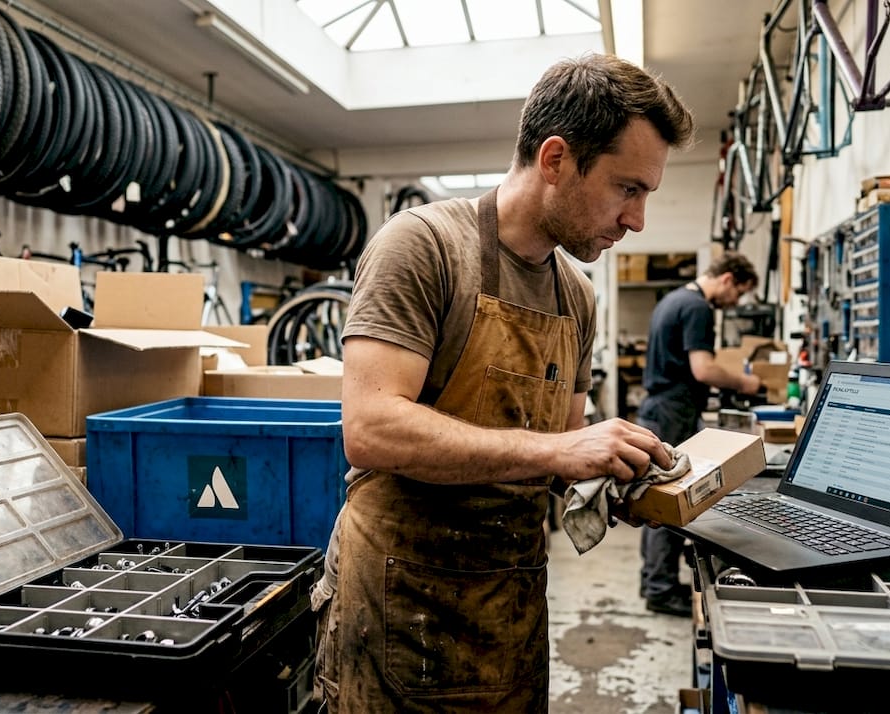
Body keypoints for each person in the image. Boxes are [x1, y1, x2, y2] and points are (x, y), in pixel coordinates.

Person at [312, 53, 695, 712]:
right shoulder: (424, 247)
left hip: (508, 608)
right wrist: (559, 452)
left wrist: (628, 478)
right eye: (626, 188)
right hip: (400, 605)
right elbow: (370, 428)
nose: (636, 220)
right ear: (555, 160)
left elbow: (562, 454)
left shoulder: (576, 297)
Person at [637, 252, 761, 616]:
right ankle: (660, 589)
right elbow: (703, 369)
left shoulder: (673, 299)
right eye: (739, 293)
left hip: (661, 409)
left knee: (656, 497)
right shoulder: (698, 308)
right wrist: (746, 382)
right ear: (727, 280)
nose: (735, 303)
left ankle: (655, 582)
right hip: (673, 412)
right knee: (669, 503)